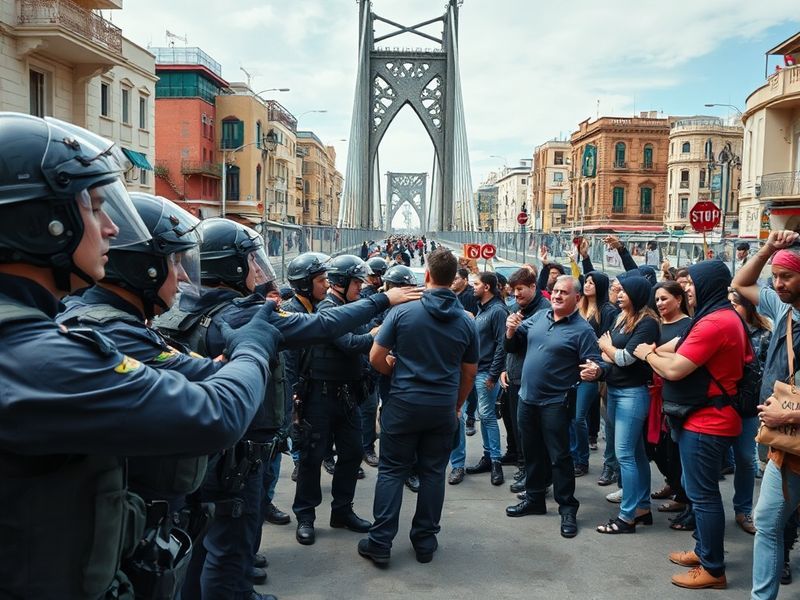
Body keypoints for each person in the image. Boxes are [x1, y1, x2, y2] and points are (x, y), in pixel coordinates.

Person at [0, 112, 282, 599]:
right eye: (92, 207)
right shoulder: (37, 356)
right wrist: (255, 345)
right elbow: (213, 415)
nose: (110, 228)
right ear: (40, 222)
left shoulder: (36, 334)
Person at [56, 193, 217, 597]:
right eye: (174, 262)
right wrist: (252, 349)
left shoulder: (127, 322)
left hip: (143, 521)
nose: (182, 277)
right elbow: (216, 407)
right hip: (127, 533)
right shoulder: (109, 330)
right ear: (144, 267)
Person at [357, 248, 478, 565]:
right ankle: (425, 542)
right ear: (454, 280)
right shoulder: (467, 322)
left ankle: (381, 543)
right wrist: (456, 404)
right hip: (441, 408)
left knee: (392, 472)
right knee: (434, 473)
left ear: (426, 275)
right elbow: (469, 373)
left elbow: (375, 357)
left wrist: (393, 372)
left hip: (404, 404)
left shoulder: (402, 313)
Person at [293, 255, 422, 546]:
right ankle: (305, 517)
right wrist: (378, 337)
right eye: (355, 282)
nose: (360, 286)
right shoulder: (328, 308)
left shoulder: (350, 307)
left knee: (351, 454)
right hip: (320, 396)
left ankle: (341, 511)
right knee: (313, 459)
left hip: (348, 395)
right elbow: (350, 343)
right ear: (341, 283)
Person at [635, 260, 747, 590]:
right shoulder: (715, 318)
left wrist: (647, 355)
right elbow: (676, 352)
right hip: (701, 416)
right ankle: (703, 551)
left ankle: (713, 568)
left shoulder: (716, 323)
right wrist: (660, 355)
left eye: (692, 285)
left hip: (707, 421)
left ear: (709, 286)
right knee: (701, 494)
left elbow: (675, 368)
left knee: (704, 496)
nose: (687, 290)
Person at [504, 275, 606, 539]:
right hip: (527, 399)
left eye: (564, 292)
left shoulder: (582, 330)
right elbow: (513, 346)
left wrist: (595, 371)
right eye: (555, 291)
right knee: (532, 452)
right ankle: (535, 499)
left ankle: (567, 508)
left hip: (556, 403)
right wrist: (511, 330)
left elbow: (596, 363)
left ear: (576, 298)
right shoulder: (539, 318)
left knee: (560, 458)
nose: (558, 296)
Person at [731, 230, 800, 598]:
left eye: (786, 276)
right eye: (775, 276)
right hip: (783, 446)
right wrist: (769, 249)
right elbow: (740, 282)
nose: (777, 283)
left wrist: (789, 417)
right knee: (769, 524)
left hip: (786, 430)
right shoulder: (782, 308)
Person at [595, 276, 659, 534]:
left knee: (624, 455)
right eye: (617, 290)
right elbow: (604, 351)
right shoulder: (620, 317)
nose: (618, 294)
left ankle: (627, 517)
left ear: (636, 294)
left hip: (632, 394)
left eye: (623, 290)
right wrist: (609, 351)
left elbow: (623, 358)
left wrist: (609, 348)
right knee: (637, 453)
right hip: (615, 390)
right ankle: (642, 508)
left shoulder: (647, 324)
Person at [499, 266, 550, 491]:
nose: (515, 294)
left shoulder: (545, 310)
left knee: (533, 433)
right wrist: (504, 368)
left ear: (533, 287)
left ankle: (536, 475)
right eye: (512, 290)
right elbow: (509, 347)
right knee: (519, 429)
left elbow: (541, 345)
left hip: (534, 380)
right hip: (514, 376)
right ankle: (524, 468)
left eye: (520, 289)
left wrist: (519, 330)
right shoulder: (514, 309)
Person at [647, 282, 693, 531]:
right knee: (655, 448)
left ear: (678, 299)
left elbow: (678, 359)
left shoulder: (688, 326)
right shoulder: (655, 325)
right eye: (657, 299)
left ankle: (685, 499)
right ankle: (676, 486)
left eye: (665, 298)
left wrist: (653, 354)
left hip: (677, 399)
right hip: (654, 396)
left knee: (676, 451)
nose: (661, 303)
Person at [727, 288, 772, 536]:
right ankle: (698, 510)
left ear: (748, 306)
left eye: (735, 304)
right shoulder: (722, 329)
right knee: (710, 462)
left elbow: (769, 372)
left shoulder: (764, 335)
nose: (731, 309)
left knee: (745, 458)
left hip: (747, 408)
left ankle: (743, 510)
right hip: (720, 406)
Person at [573, 270, 619, 479]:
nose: (587, 285)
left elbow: (607, 341)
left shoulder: (607, 311)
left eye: (592, 282)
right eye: (586, 281)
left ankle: (592, 461)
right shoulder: (579, 307)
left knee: (580, 417)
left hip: (597, 369)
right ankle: (576, 457)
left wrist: (599, 364)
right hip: (573, 370)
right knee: (572, 417)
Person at [465, 272, 509, 486]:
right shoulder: (482, 309)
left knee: (488, 416)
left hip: (486, 373)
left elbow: (503, 345)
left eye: (477, 284)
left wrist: (493, 374)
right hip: (476, 370)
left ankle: (496, 462)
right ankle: (488, 456)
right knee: (483, 415)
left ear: (488, 288)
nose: (473, 287)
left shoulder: (498, 311)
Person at [450, 266, 480, 437]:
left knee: (470, 384)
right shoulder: (453, 295)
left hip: (468, 345)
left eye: (456, 278)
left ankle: (470, 417)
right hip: (456, 348)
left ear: (465, 280)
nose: (453, 281)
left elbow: (473, 319)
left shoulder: (469, 296)